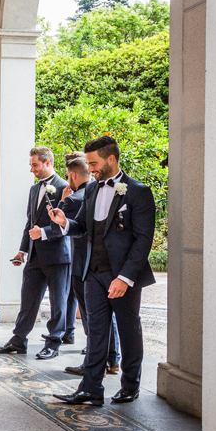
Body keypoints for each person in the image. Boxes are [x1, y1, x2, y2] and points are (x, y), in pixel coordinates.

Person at [48, 136, 155, 406]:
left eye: (94, 163)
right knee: (95, 331)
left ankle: (130, 385)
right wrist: (65, 223)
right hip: (92, 272)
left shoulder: (137, 191)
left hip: (122, 276)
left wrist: (125, 277)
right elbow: (83, 226)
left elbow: (143, 240)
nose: (91, 169)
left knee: (129, 330)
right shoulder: (93, 189)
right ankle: (91, 389)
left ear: (111, 159)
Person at [0, 147, 69, 358]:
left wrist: (42, 233)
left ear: (48, 163)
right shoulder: (34, 190)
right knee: (28, 300)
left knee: (57, 303)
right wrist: (22, 250)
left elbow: (66, 225)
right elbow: (30, 222)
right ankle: (18, 340)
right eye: (31, 165)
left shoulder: (65, 188)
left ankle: (53, 343)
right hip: (34, 255)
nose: (32, 170)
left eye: (35, 165)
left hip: (57, 255)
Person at [60, 152, 121, 377]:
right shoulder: (92, 193)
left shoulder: (75, 198)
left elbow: (60, 225)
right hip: (98, 265)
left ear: (73, 175)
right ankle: (113, 360)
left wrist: (62, 202)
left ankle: (96, 363)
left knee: (92, 319)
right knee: (106, 317)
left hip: (83, 266)